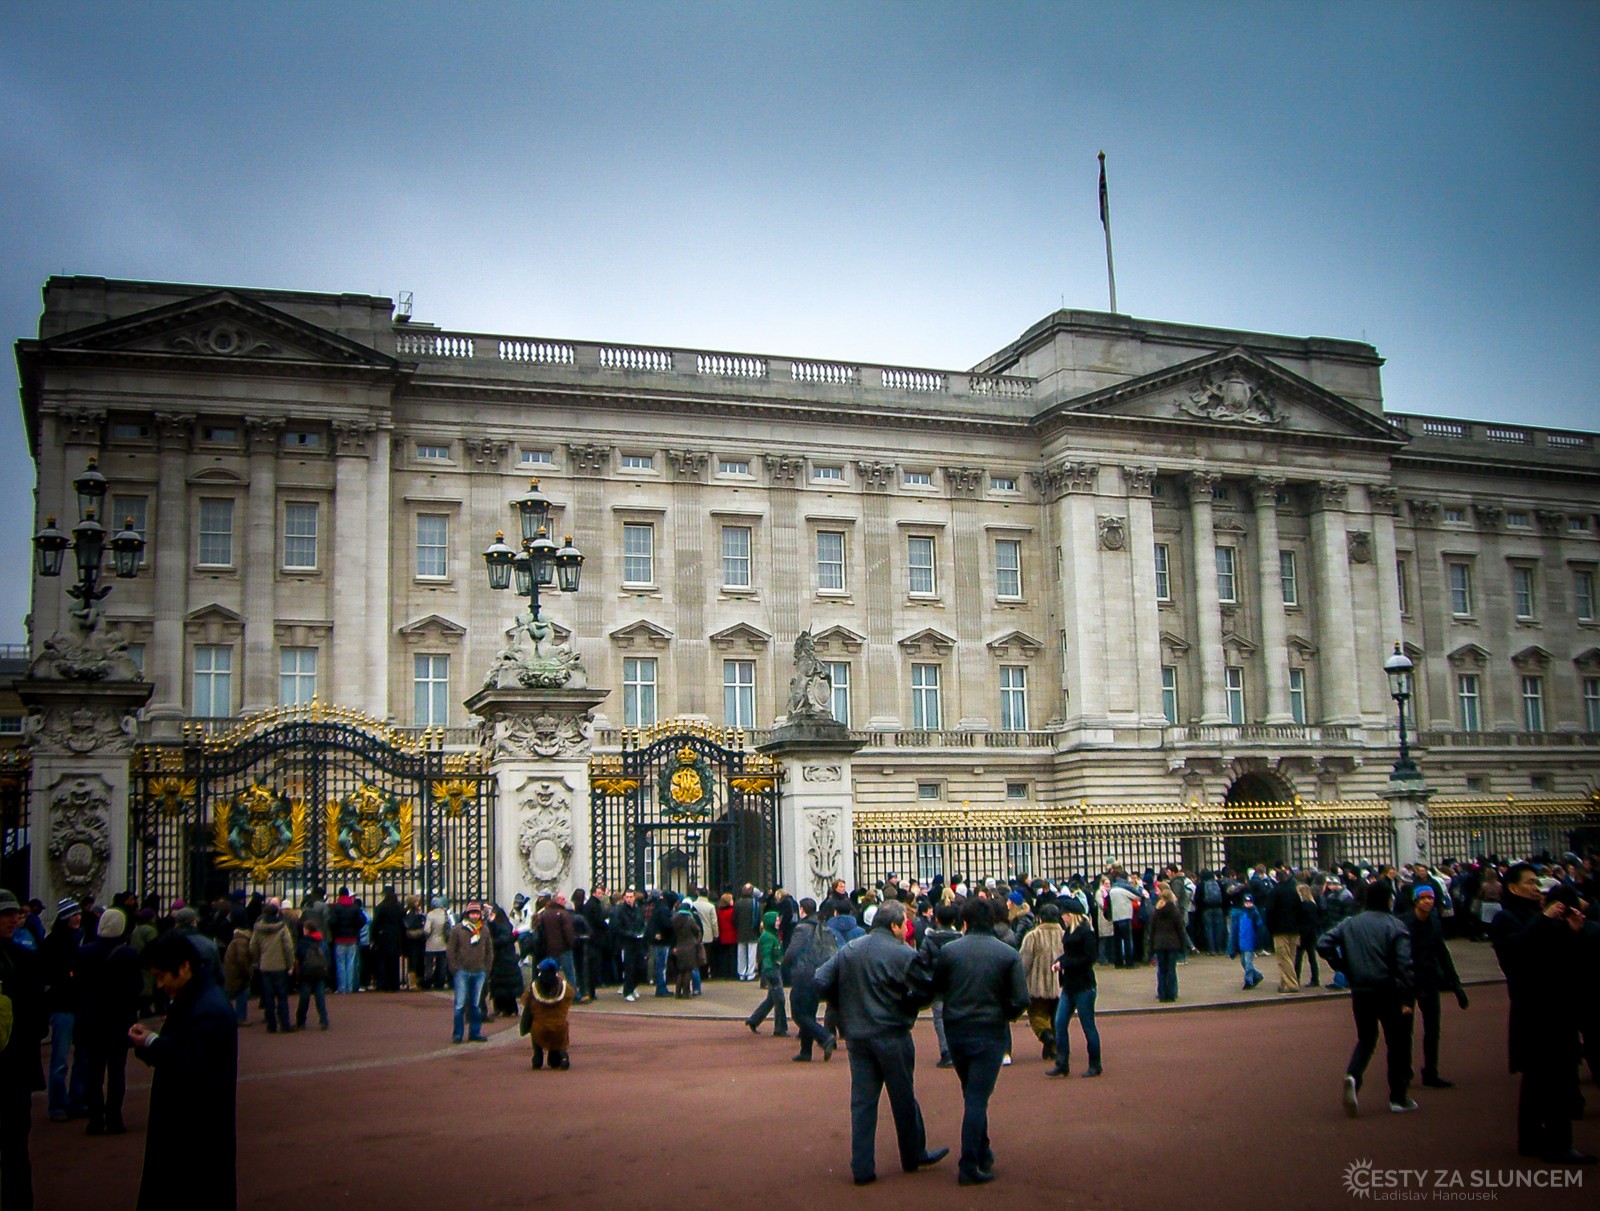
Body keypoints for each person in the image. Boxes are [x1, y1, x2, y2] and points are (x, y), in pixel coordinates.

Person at [814, 900, 948, 1186]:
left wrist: (841, 1004)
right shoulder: (903, 953)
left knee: (862, 1102)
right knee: (903, 1098)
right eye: (903, 924)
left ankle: (862, 1166)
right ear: (894, 926)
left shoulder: (850, 949)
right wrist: (907, 1005)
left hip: (858, 1035)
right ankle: (912, 1155)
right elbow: (925, 991)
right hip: (892, 1033)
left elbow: (820, 979)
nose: (906, 929)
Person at [1489, 862, 1593, 1164]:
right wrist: (1545, 921)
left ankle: (1532, 1138)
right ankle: (1560, 1143)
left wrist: (1573, 932)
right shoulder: (1506, 918)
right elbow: (1517, 953)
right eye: (1531, 883)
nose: (1537, 888)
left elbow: (1561, 958)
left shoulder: (1536, 917)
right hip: (1535, 1009)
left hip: (1553, 1005)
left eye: (1538, 883)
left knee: (1538, 1079)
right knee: (1555, 1077)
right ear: (1513, 887)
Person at [129, 931, 238, 1211]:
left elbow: (189, 1062)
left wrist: (152, 1043)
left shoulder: (207, 1006)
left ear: (185, 967)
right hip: (190, 1122)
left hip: (195, 1127)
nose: (160, 983)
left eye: (162, 975)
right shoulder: (197, 998)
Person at [933, 897, 1029, 1186]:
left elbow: (938, 989)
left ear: (965, 921)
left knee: (972, 1094)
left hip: (957, 1030)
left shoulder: (950, 951)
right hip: (989, 1031)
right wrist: (1005, 1015)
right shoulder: (1007, 953)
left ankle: (983, 1151)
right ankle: (969, 1163)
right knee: (976, 1098)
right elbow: (1020, 999)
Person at [1317, 881, 1416, 1117]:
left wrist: (1342, 965)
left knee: (1366, 1039)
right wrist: (1408, 994)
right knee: (1397, 1043)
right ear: (1388, 900)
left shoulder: (1351, 923)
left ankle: (1353, 1074)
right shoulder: (1396, 925)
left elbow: (1323, 943)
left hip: (1361, 989)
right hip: (1388, 989)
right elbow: (1405, 965)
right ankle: (1398, 1097)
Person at [0, 887, 46, 1210]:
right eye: (6, 914)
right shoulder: (25, 959)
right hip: (14, 1064)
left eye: (13, 913)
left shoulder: (26, 959)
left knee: (16, 1147)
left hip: (14, 1067)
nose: (13, 918)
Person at [77, 908, 141, 1136]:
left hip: (92, 1018)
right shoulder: (129, 954)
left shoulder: (84, 952)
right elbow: (137, 988)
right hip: (118, 1019)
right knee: (116, 1071)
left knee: (93, 1071)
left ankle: (95, 1119)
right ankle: (114, 1117)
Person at [1406, 884, 1466, 1089]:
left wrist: (1455, 983)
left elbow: (1442, 953)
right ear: (1415, 900)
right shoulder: (1404, 923)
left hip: (1429, 979)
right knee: (1405, 1030)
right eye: (1423, 898)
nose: (1427, 901)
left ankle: (1431, 1071)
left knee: (1433, 1028)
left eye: (1430, 898)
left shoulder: (1434, 923)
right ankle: (1404, 1070)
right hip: (1407, 982)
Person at [42, 897, 88, 1121]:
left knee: (82, 1056)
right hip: (62, 1005)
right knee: (60, 1059)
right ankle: (57, 1103)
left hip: (78, 1004)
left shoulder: (80, 939)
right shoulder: (53, 942)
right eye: (72, 915)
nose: (77, 918)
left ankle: (77, 1099)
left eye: (78, 914)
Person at [781, 897, 837, 1061]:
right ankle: (806, 1051)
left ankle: (824, 1037)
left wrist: (785, 964)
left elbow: (792, 952)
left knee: (799, 1013)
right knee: (809, 1012)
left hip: (804, 974)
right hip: (820, 973)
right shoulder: (823, 926)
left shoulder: (802, 928)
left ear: (802, 910)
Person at [1018, 902, 1063, 1060]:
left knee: (1037, 1016)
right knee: (1056, 1017)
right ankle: (1053, 1047)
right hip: (1060, 985)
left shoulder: (1033, 936)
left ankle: (1046, 1037)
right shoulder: (1065, 935)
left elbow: (1024, 963)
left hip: (1037, 986)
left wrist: (1019, 982)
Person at [921, 902, 962, 1068]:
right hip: (956, 984)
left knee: (939, 1018)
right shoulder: (960, 939)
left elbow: (922, 963)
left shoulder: (928, 939)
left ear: (937, 920)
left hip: (936, 984)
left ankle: (946, 1051)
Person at [447, 901, 493, 1043]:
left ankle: (475, 1032)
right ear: (467, 914)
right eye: (472, 913)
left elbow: (489, 951)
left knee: (476, 1004)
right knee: (460, 1005)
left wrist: (487, 968)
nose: (474, 916)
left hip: (479, 971)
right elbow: (451, 950)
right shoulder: (458, 930)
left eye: (477, 913)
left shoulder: (484, 930)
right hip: (462, 970)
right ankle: (457, 1034)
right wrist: (454, 967)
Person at [248, 897, 295, 1033]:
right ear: (276, 913)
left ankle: (271, 1025)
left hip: (265, 965)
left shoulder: (258, 928)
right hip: (280, 966)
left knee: (268, 997)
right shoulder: (281, 927)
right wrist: (290, 964)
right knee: (281, 996)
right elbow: (288, 947)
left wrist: (258, 959)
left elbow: (253, 946)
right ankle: (284, 1024)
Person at [520, 958, 574, 1069]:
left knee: (535, 1026)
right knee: (562, 1028)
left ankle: (537, 1056)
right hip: (559, 1029)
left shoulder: (533, 988)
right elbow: (571, 997)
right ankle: (563, 1055)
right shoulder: (565, 988)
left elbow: (524, 1000)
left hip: (540, 1029)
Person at [744, 910, 788, 1036]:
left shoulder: (771, 935)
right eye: (776, 920)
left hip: (774, 967)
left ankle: (754, 1020)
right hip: (773, 969)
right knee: (779, 999)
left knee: (771, 999)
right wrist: (769, 971)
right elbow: (766, 955)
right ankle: (780, 1028)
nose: (778, 922)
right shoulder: (768, 937)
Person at [1265, 866, 1302, 993]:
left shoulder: (1274, 892)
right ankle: (1284, 982)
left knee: (1283, 958)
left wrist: (1270, 927)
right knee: (1291, 956)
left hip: (1279, 929)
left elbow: (1269, 912)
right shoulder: (1294, 891)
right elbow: (1299, 910)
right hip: (1294, 928)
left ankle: (1291, 983)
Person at [1149, 882, 1185, 1002]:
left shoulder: (1156, 911)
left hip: (1159, 943)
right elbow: (1180, 929)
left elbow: (1152, 930)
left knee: (1161, 970)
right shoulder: (1174, 911)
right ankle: (1171, 993)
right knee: (1171, 969)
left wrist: (1151, 946)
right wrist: (1182, 945)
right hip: (1172, 943)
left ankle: (1162, 993)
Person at [609, 888, 647, 1001]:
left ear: (634, 898)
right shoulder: (619, 910)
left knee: (642, 966)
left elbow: (642, 923)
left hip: (638, 941)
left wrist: (642, 932)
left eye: (631, 897)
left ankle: (632, 986)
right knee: (629, 967)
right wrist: (630, 934)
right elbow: (615, 927)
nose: (629, 899)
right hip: (626, 942)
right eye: (627, 897)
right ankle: (627, 991)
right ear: (624, 898)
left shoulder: (638, 909)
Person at [295, 919, 332, 1030]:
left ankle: (301, 1021)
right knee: (320, 997)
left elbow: (299, 955)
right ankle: (323, 1020)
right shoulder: (322, 942)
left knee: (304, 998)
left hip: (307, 973)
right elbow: (327, 958)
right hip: (319, 972)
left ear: (307, 930)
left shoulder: (303, 942)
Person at [329, 888, 366, 993]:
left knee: (340, 963)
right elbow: (363, 920)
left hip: (339, 938)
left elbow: (331, 921)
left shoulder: (336, 907)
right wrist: (355, 928)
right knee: (350, 963)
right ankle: (349, 987)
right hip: (352, 938)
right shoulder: (354, 907)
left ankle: (342, 987)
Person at [371, 886, 405, 992]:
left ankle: (384, 984)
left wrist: (373, 938)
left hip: (384, 937)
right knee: (394, 962)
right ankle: (395, 984)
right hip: (396, 937)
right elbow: (403, 923)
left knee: (383, 962)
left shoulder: (381, 907)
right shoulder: (399, 907)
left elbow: (375, 924)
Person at [1229, 893, 1266, 990]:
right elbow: (1236, 929)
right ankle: (1257, 975)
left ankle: (1248, 981)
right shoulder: (1241, 914)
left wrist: (1259, 942)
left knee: (1248, 962)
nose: (1248, 904)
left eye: (1250, 902)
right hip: (1242, 941)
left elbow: (1260, 928)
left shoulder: (1255, 914)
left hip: (1250, 941)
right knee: (1243, 962)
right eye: (1246, 902)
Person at [670, 896, 703, 999]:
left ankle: (677, 992)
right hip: (690, 947)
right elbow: (697, 931)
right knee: (688, 970)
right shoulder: (690, 919)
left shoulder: (674, 919)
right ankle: (686, 992)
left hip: (679, 946)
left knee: (680, 970)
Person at [222, 923, 253, 1025]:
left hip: (232, 971)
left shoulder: (235, 941)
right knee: (241, 994)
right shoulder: (242, 942)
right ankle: (240, 1018)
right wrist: (248, 971)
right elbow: (242, 959)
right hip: (238, 973)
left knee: (230, 994)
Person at [733, 884, 761, 980]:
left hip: (741, 931)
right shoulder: (756, 904)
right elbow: (758, 918)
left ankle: (741, 973)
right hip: (753, 931)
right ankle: (750, 973)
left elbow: (734, 919)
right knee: (752, 954)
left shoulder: (737, 903)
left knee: (741, 953)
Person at [423, 897, 451, 989]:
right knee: (442, 965)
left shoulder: (430, 915)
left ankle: (428, 981)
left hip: (431, 943)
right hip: (443, 943)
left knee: (429, 964)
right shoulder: (445, 914)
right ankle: (440, 983)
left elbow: (427, 930)